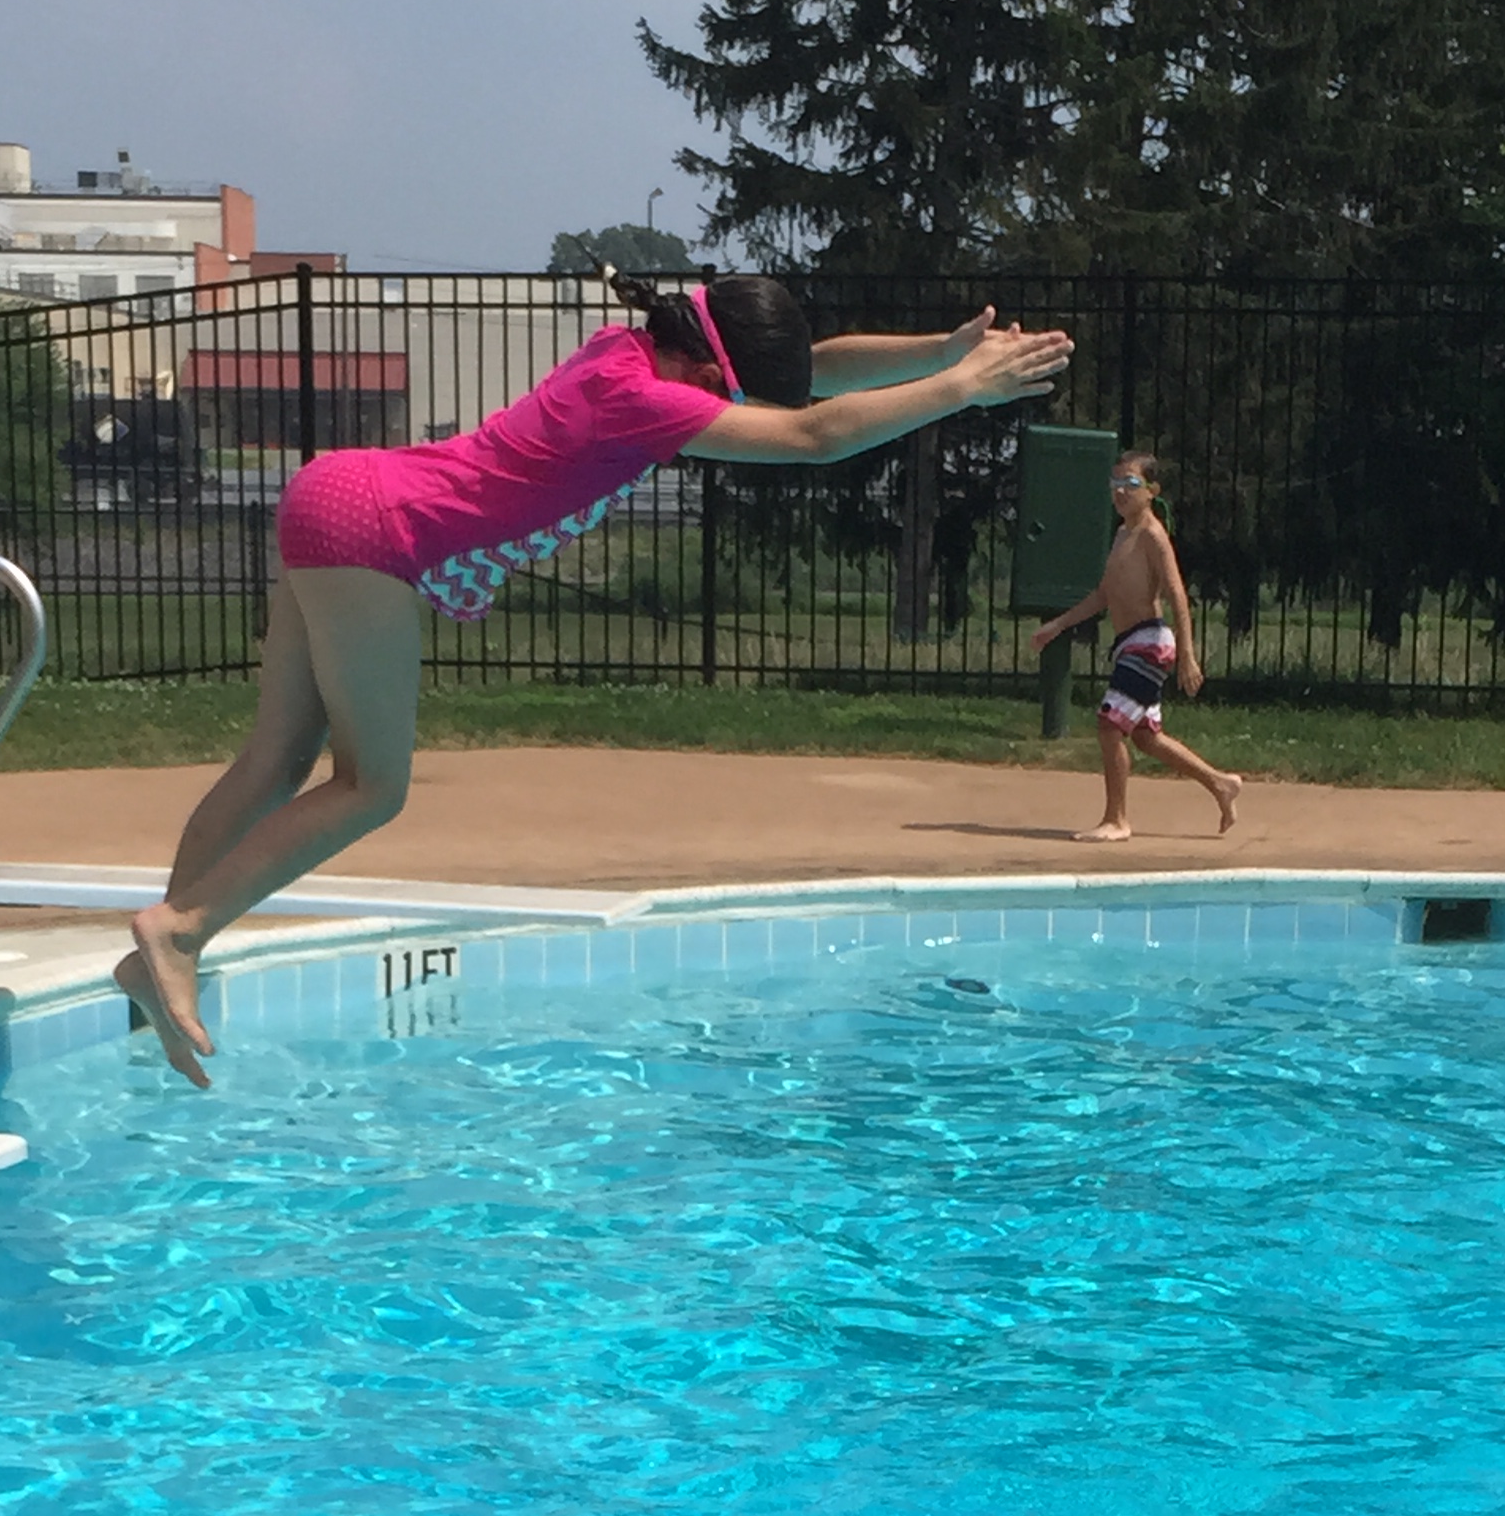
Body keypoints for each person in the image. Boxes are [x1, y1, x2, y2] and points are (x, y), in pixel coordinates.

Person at [117, 277, 1074, 1080]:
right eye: (733, 395)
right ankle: (181, 930)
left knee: (276, 759)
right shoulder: (647, 402)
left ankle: (157, 964)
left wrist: (939, 351)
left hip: (335, 489)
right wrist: (960, 389)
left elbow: (813, 370)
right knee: (373, 786)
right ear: (711, 374)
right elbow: (816, 434)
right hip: (381, 535)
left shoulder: (627, 348)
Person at [1029, 452, 1240, 843]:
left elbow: (1177, 593)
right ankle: (1220, 784)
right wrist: (1057, 626)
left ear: (1152, 490)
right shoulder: (1123, 534)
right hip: (1130, 643)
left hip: (1149, 643)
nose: (1120, 492)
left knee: (1110, 724)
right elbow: (1104, 595)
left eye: (1130, 484)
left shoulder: (1152, 535)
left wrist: (1188, 655)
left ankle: (1117, 819)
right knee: (1145, 736)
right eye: (1115, 484)